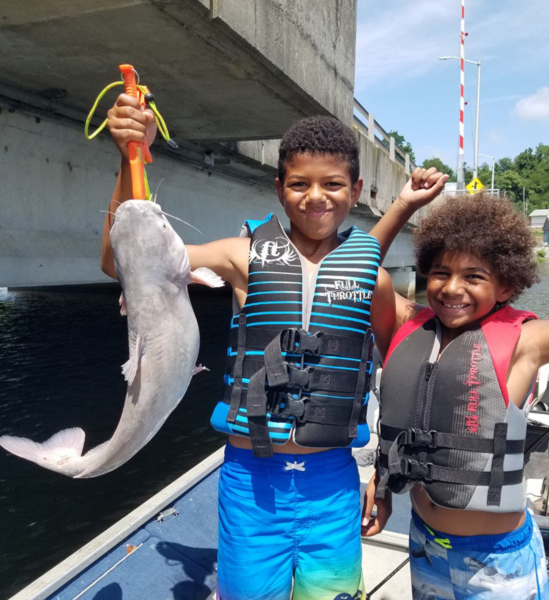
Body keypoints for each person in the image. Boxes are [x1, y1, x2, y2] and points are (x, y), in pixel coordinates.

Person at [100, 93, 448, 600]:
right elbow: (124, 265)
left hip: (332, 485)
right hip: (250, 484)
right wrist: (128, 156)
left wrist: (388, 471)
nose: (315, 197)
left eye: (332, 185)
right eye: (300, 184)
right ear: (279, 189)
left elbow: (397, 372)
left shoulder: (372, 282)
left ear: (355, 191)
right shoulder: (239, 256)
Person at [361, 160, 549, 600]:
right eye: (441, 272)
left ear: (505, 287)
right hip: (425, 542)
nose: (452, 288)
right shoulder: (406, 325)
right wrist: (405, 204)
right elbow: (353, 277)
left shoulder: (526, 342)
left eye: (474, 277)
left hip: (496, 562)